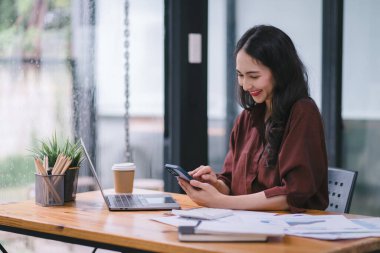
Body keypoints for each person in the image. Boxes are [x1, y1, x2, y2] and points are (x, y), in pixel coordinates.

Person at [178, 25, 328, 212]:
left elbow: (292, 194)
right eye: (240, 75)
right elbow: (231, 183)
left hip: (294, 233)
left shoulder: (303, 113)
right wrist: (216, 185)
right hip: (249, 226)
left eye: (254, 76)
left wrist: (219, 201)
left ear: (280, 71)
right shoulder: (246, 119)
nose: (246, 85)